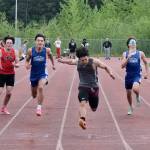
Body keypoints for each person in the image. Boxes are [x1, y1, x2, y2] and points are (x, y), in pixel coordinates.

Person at [58, 47, 115, 129]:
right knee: (82, 103)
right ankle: (82, 119)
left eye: (85, 59)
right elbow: (70, 61)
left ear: (87, 56)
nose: (84, 61)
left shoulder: (94, 61)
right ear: (79, 59)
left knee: (94, 108)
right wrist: (62, 60)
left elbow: (105, 67)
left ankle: (84, 115)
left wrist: (110, 73)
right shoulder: (78, 62)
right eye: (82, 60)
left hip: (94, 88)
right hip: (83, 87)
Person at [25, 33, 55, 116]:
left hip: (43, 73)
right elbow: (27, 60)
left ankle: (39, 107)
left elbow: (51, 57)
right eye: (38, 40)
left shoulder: (47, 50)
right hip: (33, 74)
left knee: (41, 87)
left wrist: (53, 65)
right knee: (34, 95)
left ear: (44, 42)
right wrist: (27, 65)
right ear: (35, 41)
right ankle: (33, 89)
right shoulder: (31, 50)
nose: (40, 42)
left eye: (42, 41)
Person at [121, 37, 148, 115]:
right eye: (131, 43)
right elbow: (122, 66)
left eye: (134, 43)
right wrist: (128, 58)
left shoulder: (140, 53)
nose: (133, 44)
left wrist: (146, 73)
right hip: (128, 76)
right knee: (128, 94)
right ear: (128, 45)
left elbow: (146, 63)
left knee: (135, 89)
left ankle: (137, 96)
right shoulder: (125, 54)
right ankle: (130, 107)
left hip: (137, 74)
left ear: (136, 44)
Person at [0, 35, 19, 114]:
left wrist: (16, 64)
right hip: (1, 74)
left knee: (9, 93)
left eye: (11, 43)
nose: (9, 44)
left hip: (10, 74)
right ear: (4, 43)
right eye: (7, 43)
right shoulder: (1, 51)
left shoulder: (15, 52)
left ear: (13, 44)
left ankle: (4, 107)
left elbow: (17, 62)